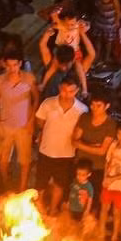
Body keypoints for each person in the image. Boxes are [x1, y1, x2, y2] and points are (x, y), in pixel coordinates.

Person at [0, 46, 37, 191]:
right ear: (4, 64)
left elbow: (36, 97)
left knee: (25, 160)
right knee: (3, 159)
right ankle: (6, 186)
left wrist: (31, 120)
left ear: (20, 64)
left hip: (24, 127)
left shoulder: (29, 78)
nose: (12, 68)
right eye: (9, 65)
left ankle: (22, 189)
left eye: (15, 64)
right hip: (5, 126)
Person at [33, 80, 85, 214]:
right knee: (40, 183)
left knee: (60, 183)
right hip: (46, 150)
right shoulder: (48, 103)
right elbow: (40, 122)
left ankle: (53, 209)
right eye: (64, 90)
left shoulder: (82, 110)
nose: (67, 94)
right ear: (59, 88)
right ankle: (39, 210)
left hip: (66, 153)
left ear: (77, 91)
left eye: (71, 91)